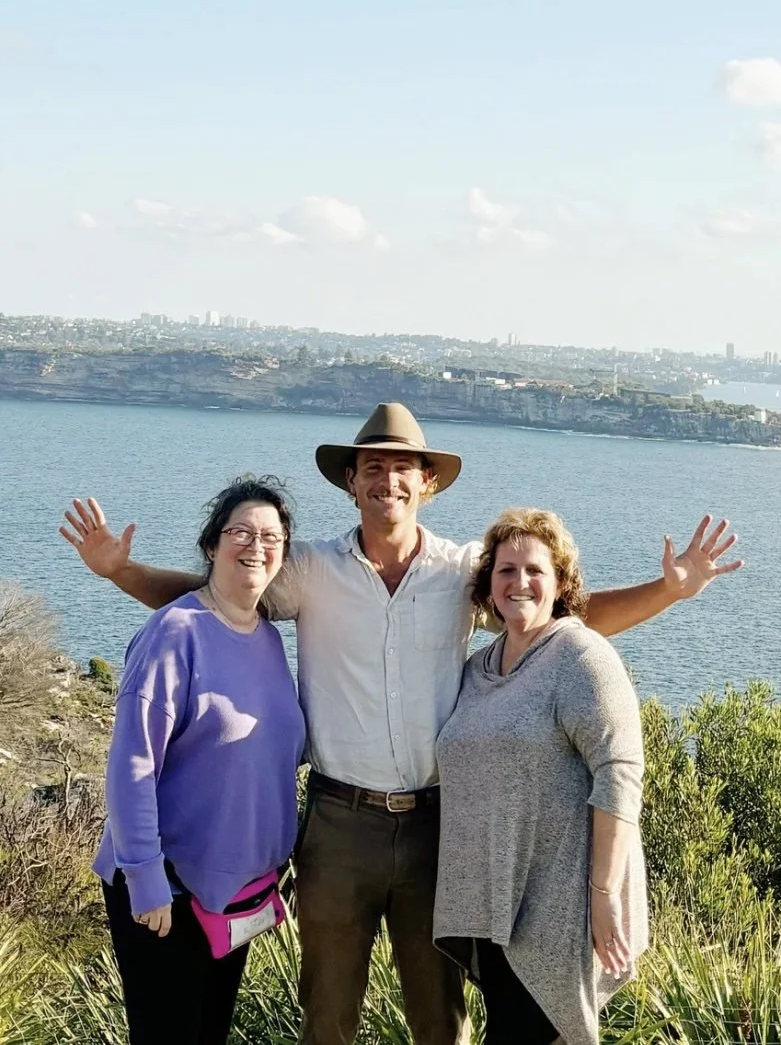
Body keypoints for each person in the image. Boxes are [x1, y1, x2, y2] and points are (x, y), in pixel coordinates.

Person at [60, 403, 742, 1045]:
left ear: (428, 483)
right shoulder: (309, 570)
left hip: (435, 827)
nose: (388, 479)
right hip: (337, 824)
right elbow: (217, 597)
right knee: (326, 1014)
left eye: (403, 467)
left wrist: (667, 591)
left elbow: (559, 616)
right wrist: (124, 573)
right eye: (373, 467)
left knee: (438, 1015)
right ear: (352, 482)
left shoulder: (464, 573)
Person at [76, 477, 306, 1045]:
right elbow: (132, 766)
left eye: (271, 537)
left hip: (237, 892)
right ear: (211, 545)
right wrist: (146, 880)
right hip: (169, 892)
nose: (256, 546)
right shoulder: (174, 632)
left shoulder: (269, 639)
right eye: (241, 532)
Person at [434, 508, 648, 1045]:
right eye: (506, 570)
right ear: (488, 585)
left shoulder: (581, 656)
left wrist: (603, 893)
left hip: (563, 903)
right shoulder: (478, 670)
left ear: (561, 584)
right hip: (498, 905)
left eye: (535, 570)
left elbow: (620, 773)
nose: (520, 582)